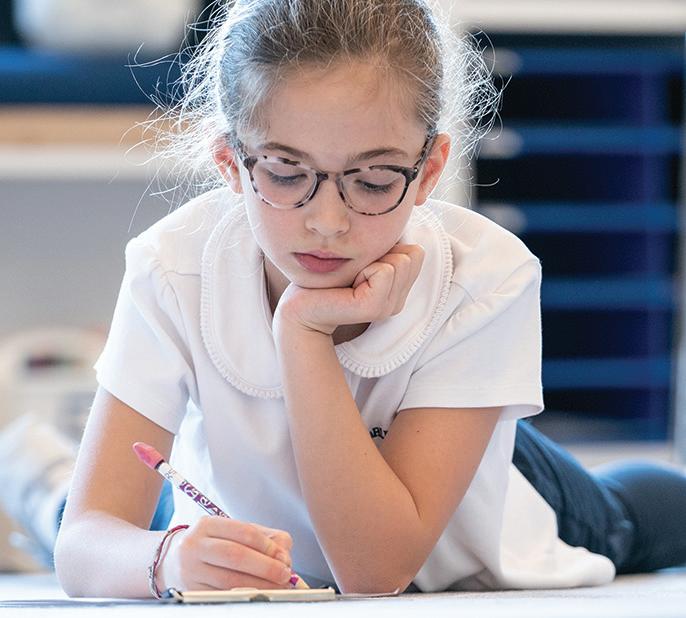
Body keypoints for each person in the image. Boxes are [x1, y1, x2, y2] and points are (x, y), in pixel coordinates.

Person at [53, 0, 686, 598]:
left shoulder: (485, 274)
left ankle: (41, 479)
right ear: (230, 163)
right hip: (256, 482)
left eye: (375, 181)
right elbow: (83, 543)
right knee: (135, 525)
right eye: (285, 173)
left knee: (641, 513)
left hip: (481, 472)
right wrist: (165, 560)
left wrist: (302, 331)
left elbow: (375, 572)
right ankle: (42, 482)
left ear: (429, 170)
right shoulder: (173, 266)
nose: (327, 222)